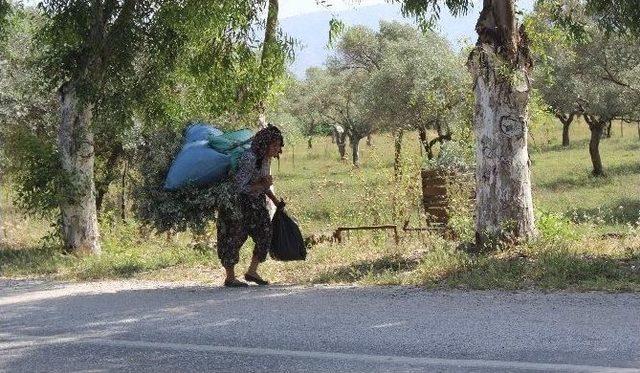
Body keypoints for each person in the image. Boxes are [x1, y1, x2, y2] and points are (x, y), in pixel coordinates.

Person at [216, 125, 284, 287]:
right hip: (237, 203)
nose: (277, 149)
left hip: (256, 203)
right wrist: (260, 183)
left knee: (265, 233)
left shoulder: (265, 159)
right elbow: (238, 187)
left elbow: (264, 184)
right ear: (264, 144)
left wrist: (275, 201)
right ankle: (230, 277)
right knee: (234, 238)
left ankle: (252, 272)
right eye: (274, 145)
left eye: (279, 145)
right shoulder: (249, 158)